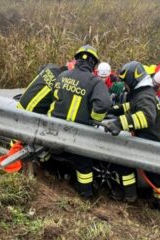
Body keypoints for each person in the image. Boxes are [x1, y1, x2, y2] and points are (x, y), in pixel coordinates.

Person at [108, 61, 160, 213]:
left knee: (157, 177)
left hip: (156, 143)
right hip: (153, 140)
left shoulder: (144, 96)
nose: (125, 86)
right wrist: (114, 109)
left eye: (126, 82)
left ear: (133, 79)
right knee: (154, 175)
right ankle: (154, 203)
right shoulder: (143, 93)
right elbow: (132, 106)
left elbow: (146, 117)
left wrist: (119, 123)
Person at [48, 45, 112, 199]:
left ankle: (52, 182)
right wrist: (95, 121)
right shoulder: (95, 81)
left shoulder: (63, 75)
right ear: (93, 64)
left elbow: (54, 97)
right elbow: (104, 104)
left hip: (54, 130)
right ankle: (86, 195)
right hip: (78, 135)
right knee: (84, 165)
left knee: (53, 157)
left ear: (76, 59)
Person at [0, 63, 67, 172]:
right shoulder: (60, 83)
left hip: (21, 105)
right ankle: (17, 162)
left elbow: (40, 69)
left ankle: (14, 154)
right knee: (29, 140)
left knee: (17, 136)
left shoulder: (50, 68)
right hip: (31, 113)